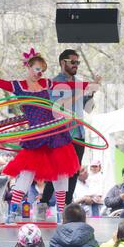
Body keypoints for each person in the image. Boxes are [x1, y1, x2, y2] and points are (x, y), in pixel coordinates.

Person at [0, 48, 97, 221]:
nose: (39, 74)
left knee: (61, 175)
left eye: (42, 71)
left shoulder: (46, 84)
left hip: (54, 135)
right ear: (29, 67)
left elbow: (70, 85)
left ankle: (60, 215)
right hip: (36, 138)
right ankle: (12, 213)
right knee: (25, 176)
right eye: (37, 69)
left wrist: (90, 85)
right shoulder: (18, 86)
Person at [41, 49, 102, 208]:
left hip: (78, 133)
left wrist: (91, 93)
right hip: (60, 134)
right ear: (63, 63)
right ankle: (44, 202)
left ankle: (67, 204)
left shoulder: (80, 83)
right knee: (57, 170)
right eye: (73, 62)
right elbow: (52, 108)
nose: (76, 65)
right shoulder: (53, 83)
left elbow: (88, 108)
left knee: (74, 170)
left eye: (78, 62)